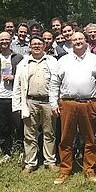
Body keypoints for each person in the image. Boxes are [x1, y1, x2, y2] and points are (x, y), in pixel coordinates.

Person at [49, 32, 96, 185]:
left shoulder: (95, 60)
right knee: (66, 138)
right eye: (75, 40)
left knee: (90, 139)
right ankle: (65, 169)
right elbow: (54, 83)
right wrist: (53, 103)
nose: (78, 42)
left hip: (88, 104)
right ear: (70, 42)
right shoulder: (63, 61)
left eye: (80, 39)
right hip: (68, 104)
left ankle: (89, 168)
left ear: (85, 41)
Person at [12, 36, 59, 174]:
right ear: (30, 47)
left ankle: (50, 161)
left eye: (39, 44)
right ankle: (30, 163)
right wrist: (18, 106)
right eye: (34, 44)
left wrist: (57, 102)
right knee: (29, 134)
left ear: (44, 46)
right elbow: (17, 85)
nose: (37, 46)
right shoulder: (23, 63)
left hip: (48, 102)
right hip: (30, 102)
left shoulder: (52, 61)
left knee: (49, 133)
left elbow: (57, 83)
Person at [0, 31, 24, 163]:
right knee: (3, 127)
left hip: (15, 97)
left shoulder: (18, 58)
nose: (4, 42)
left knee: (18, 125)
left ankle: (21, 151)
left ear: (10, 41)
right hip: (0, 97)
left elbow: (23, 78)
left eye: (6, 40)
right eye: (1, 40)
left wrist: (13, 77)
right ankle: (6, 152)